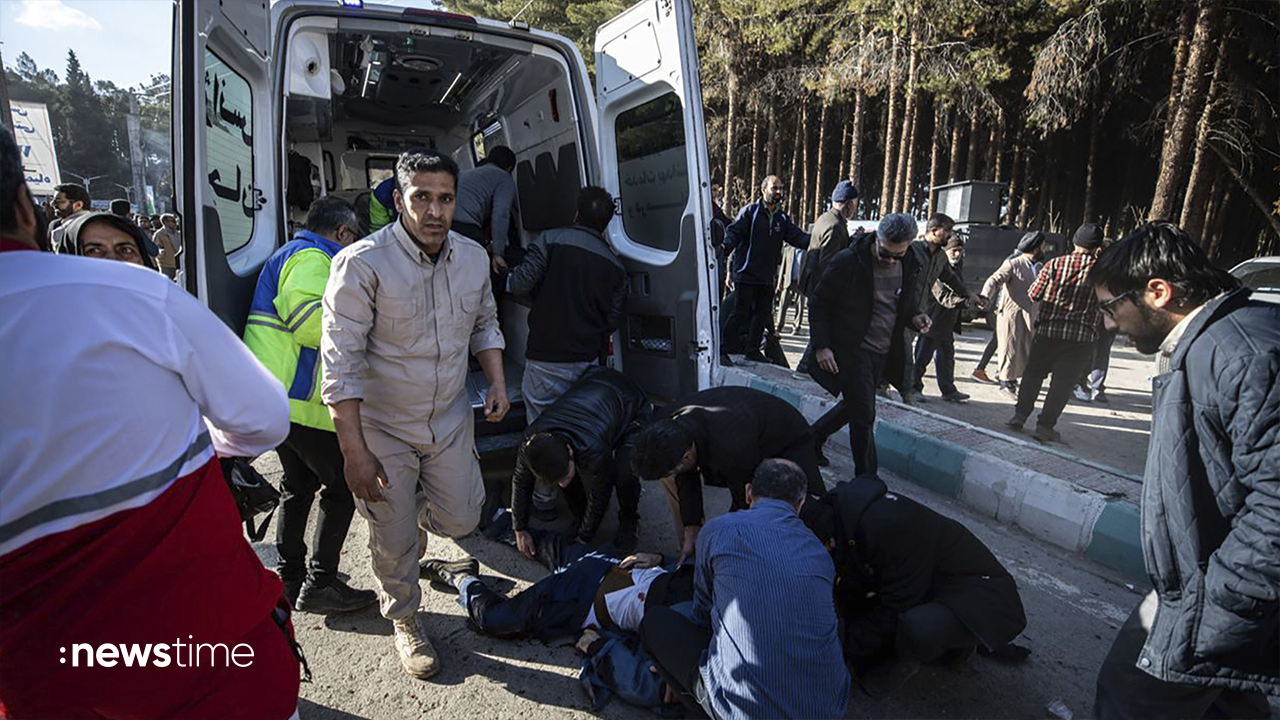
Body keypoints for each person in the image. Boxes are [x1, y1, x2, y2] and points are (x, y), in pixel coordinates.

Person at [0, 126, 302, 719]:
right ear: (26, 209)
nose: (115, 263)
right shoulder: (138, 299)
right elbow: (264, 421)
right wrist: (198, 445)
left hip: (50, 686)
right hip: (212, 666)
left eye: (124, 249)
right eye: (95, 252)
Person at [320, 150, 509, 680]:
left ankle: (414, 514)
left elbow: (486, 322)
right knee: (394, 539)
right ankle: (405, 618)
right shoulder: (361, 263)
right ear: (400, 200)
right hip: (385, 430)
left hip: (449, 419)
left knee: (463, 520)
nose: (434, 210)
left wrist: (495, 380)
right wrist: (354, 453)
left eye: (444, 198)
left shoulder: (472, 258)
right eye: (421, 197)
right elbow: (340, 366)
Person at [1089, 222, 1277, 720]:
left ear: (1158, 292)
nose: (1109, 324)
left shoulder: (1242, 353)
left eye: (1111, 308)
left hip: (1220, 600)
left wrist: (1217, 603)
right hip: (1216, 591)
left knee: (1129, 698)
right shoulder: (1214, 343)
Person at [244, 196, 377, 615]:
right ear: (342, 233)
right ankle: (320, 582)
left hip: (279, 401)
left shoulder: (291, 253)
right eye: (353, 238)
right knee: (342, 485)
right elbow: (311, 325)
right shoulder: (313, 258)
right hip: (301, 402)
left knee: (297, 486)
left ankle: (290, 576)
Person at [640, 460, 851, 720]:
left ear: (748, 492)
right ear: (800, 504)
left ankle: (694, 704)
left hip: (740, 710)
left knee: (656, 622)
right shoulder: (820, 553)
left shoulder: (718, 530)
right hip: (830, 710)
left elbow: (703, 611)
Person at [803, 475, 1028, 697]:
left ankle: (940, 652)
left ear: (830, 542)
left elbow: (896, 605)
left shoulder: (885, 527)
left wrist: (844, 651)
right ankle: (950, 639)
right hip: (935, 586)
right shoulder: (847, 519)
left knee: (916, 627)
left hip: (985, 598)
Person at [630, 386, 824, 564]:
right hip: (740, 420)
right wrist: (692, 525)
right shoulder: (666, 426)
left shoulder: (732, 448)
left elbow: (744, 502)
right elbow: (685, 473)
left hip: (786, 436)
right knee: (675, 480)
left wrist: (722, 543)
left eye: (674, 469)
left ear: (687, 455)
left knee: (798, 509)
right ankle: (694, 551)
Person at [807, 213, 929, 476]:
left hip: (885, 352)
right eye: (885, 252)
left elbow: (903, 306)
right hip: (852, 350)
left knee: (856, 405)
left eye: (897, 255)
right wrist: (821, 346)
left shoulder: (910, 262)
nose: (890, 260)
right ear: (876, 237)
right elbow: (818, 302)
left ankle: (812, 437)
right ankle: (867, 479)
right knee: (864, 415)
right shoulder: (849, 262)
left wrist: (915, 317)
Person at [505, 186, 627, 420]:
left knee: (542, 427)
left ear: (576, 215)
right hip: (588, 360)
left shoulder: (549, 240)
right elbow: (613, 320)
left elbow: (519, 284)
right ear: (606, 223)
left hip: (546, 356)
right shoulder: (616, 266)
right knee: (579, 423)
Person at [509, 367, 652, 557]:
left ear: (569, 450)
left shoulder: (593, 448)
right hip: (595, 390)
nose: (563, 484)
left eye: (564, 476)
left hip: (632, 405)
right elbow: (521, 481)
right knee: (568, 477)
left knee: (624, 471)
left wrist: (584, 538)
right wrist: (519, 528)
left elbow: (600, 494)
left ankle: (629, 520)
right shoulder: (531, 444)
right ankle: (579, 513)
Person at [1006, 223, 1104, 443]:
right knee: (1063, 383)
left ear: (1074, 243)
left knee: (1033, 373)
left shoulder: (1054, 264)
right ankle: (1045, 427)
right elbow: (1109, 304)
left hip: (1048, 330)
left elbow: (1034, 294)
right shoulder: (1103, 272)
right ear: (1098, 247)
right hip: (1081, 337)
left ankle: (1020, 415)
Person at [721, 175, 809, 363]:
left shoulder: (782, 218)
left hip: (766, 276)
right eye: (774, 188)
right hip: (745, 274)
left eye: (780, 189)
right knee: (740, 314)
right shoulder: (750, 212)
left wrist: (819, 239)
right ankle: (721, 349)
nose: (778, 192)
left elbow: (799, 238)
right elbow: (734, 232)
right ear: (763, 190)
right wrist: (725, 247)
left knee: (762, 315)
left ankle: (752, 350)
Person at [902, 214, 983, 403]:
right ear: (934, 230)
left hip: (919, 315)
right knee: (906, 354)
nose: (949, 235)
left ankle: (920, 390)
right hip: (906, 312)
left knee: (923, 354)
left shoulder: (939, 257)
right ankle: (900, 389)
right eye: (947, 230)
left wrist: (969, 294)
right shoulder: (912, 251)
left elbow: (951, 278)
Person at [981, 231, 1048, 399]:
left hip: (1032, 315)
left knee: (1025, 349)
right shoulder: (1013, 264)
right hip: (1012, 314)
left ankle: (1014, 379)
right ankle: (1006, 383)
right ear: (1036, 247)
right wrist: (985, 297)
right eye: (1043, 245)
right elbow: (993, 280)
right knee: (1010, 347)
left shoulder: (1040, 266)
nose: (1046, 248)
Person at [912, 233, 973, 403]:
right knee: (922, 357)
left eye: (960, 251)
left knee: (947, 358)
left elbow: (960, 287)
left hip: (947, 323)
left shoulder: (957, 266)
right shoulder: (937, 266)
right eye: (954, 251)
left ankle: (948, 390)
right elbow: (943, 296)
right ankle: (914, 387)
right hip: (932, 320)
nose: (957, 254)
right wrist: (965, 302)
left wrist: (973, 298)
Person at [453, 145, 518, 271]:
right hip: (465, 229)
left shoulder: (466, 174)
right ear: (509, 168)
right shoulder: (504, 178)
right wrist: (498, 253)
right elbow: (501, 214)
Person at [798, 180, 859, 299]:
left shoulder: (826, 218)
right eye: (854, 204)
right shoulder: (834, 227)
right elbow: (829, 264)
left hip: (815, 286)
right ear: (849, 204)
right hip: (822, 291)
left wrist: (852, 240)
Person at [61, 211, 159, 270]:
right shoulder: (58, 304)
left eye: (125, 250)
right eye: (94, 251)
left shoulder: (163, 302)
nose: (113, 260)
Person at [49, 182, 90, 253]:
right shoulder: (101, 223)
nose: (52, 204)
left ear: (78, 205)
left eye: (58, 200)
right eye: (52, 199)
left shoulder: (63, 232)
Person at [153, 213, 182, 280]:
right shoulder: (159, 234)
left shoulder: (178, 233)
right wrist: (162, 253)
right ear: (166, 222)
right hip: (166, 265)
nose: (175, 223)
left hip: (178, 263)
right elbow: (156, 249)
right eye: (173, 221)